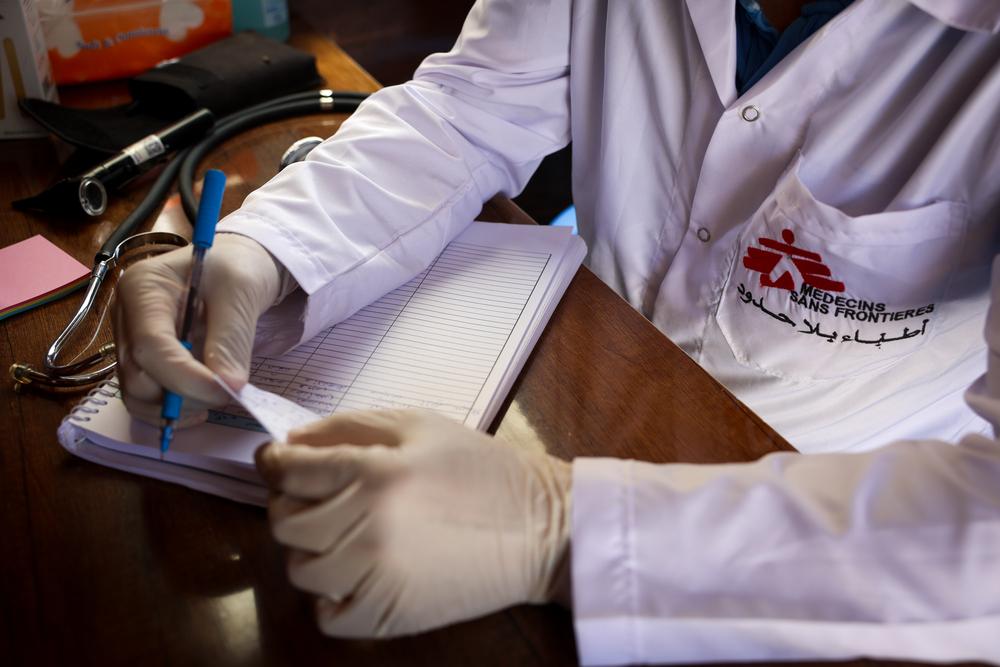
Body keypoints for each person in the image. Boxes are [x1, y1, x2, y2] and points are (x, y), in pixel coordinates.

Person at [113, 0, 1000, 663]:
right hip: (593, 393)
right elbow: (471, 109)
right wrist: (267, 249)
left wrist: (558, 530)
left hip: (848, 540)